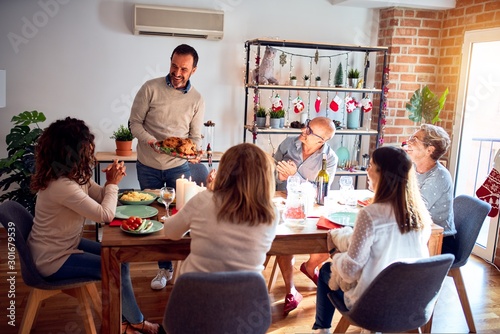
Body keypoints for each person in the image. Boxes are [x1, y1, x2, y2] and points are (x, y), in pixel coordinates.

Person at [27, 117, 161, 334]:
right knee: (115, 266)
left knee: (120, 258)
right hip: (52, 259)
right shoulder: (62, 185)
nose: (91, 147)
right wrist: (114, 185)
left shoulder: (73, 176)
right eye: (87, 143)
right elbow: (105, 215)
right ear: (72, 149)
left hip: (65, 246)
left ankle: (125, 322)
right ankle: (132, 323)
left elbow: (100, 196)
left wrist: (109, 182)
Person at [312, 146, 432, 331]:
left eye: (370, 166)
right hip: (411, 301)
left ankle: (322, 329)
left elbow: (350, 271)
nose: (367, 170)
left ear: (383, 174)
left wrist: (334, 252)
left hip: (373, 303)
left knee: (327, 270)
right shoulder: (421, 214)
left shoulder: (370, 214)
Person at [129, 43, 205, 290]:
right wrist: (150, 141)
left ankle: (186, 270)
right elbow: (134, 124)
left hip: (178, 166)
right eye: (174, 65)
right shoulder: (150, 88)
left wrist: (193, 152)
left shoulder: (196, 99)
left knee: (183, 216)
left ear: (193, 70)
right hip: (148, 163)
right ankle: (164, 269)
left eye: (184, 68)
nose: (177, 72)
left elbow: (195, 136)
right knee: (154, 216)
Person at [162, 143, 278, 275]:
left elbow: (171, 232)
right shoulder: (271, 212)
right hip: (248, 292)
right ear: (265, 177)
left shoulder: (203, 200)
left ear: (224, 171)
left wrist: (183, 213)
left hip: (197, 290)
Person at [273, 116, 338, 315]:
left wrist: (294, 177)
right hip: (282, 203)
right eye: (306, 126)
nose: (304, 130)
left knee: (334, 234)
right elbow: (271, 170)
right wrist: (279, 175)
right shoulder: (288, 144)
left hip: (311, 208)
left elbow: (321, 191)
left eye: (309, 131)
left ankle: (310, 266)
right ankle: (291, 289)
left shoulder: (330, 159)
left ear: (322, 141)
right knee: (285, 238)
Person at [405, 124, 456, 254]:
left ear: (429, 150)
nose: (408, 142)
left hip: (439, 240)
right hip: (417, 233)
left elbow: (414, 208)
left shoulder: (440, 176)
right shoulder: (413, 169)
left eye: (414, 140)